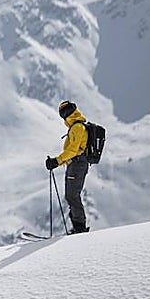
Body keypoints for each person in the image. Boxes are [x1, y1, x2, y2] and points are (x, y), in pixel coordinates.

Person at [45, 99, 90, 233]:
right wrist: (58, 162)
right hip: (76, 164)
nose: (63, 115)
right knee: (71, 196)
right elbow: (73, 152)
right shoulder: (76, 126)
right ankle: (77, 227)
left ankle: (79, 228)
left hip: (77, 165)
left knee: (72, 196)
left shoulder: (77, 127)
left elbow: (73, 151)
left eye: (64, 112)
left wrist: (56, 161)